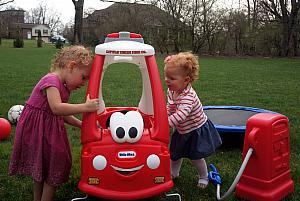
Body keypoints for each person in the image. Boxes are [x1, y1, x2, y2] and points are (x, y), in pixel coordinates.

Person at [9, 45, 99, 201]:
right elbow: (57, 108)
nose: (84, 83)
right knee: (49, 166)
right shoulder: (51, 81)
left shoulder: (64, 87)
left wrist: (81, 124)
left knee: (49, 164)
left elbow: (62, 114)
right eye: (83, 77)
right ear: (71, 66)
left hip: (49, 130)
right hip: (37, 131)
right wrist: (85, 107)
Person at [164, 52, 222, 189]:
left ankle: (204, 176)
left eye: (172, 78)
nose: (167, 80)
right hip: (182, 129)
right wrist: (165, 115)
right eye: (166, 76)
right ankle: (174, 173)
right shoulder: (172, 90)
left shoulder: (188, 96)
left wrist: (165, 123)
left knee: (195, 157)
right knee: (175, 154)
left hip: (195, 130)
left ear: (186, 80)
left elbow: (181, 114)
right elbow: (171, 107)